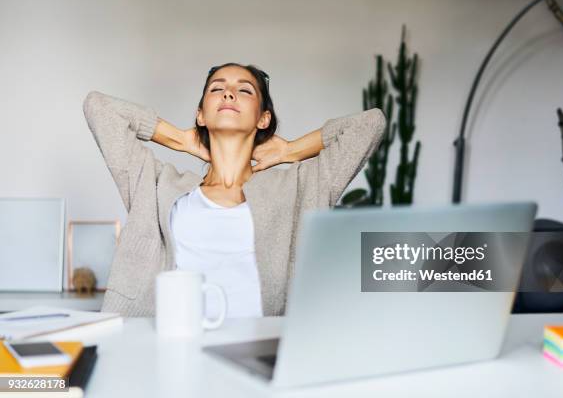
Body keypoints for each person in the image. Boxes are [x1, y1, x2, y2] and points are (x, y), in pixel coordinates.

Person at [82, 62, 386, 317]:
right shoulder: (158, 184)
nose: (229, 92)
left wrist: (290, 151)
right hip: (168, 347)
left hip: (260, 357)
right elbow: (99, 108)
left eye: (244, 89)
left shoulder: (297, 188)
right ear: (201, 114)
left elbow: (369, 125)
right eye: (217, 88)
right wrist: (180, 139)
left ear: (263, 118)